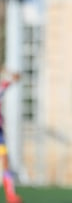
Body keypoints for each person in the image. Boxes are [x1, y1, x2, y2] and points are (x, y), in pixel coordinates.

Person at [0, 69, 22, 203]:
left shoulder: (1, 87)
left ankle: (11, 195)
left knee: (5, 163)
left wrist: (5, 70)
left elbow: (16, 77)